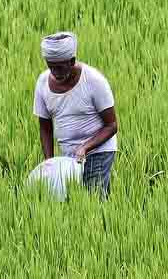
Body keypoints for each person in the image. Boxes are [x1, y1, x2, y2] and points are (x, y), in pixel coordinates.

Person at [32, 31, 119, 200]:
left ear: (72, 61)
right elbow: (45, 126)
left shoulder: (94, 81)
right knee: (69, 199)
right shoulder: (42, 83)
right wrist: (50, 162)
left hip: (98, 150)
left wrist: (85, 147)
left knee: (93, 199)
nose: (55, 72)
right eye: (51, 67)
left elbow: (112, 125)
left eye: (60, 67)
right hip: (69, 155)